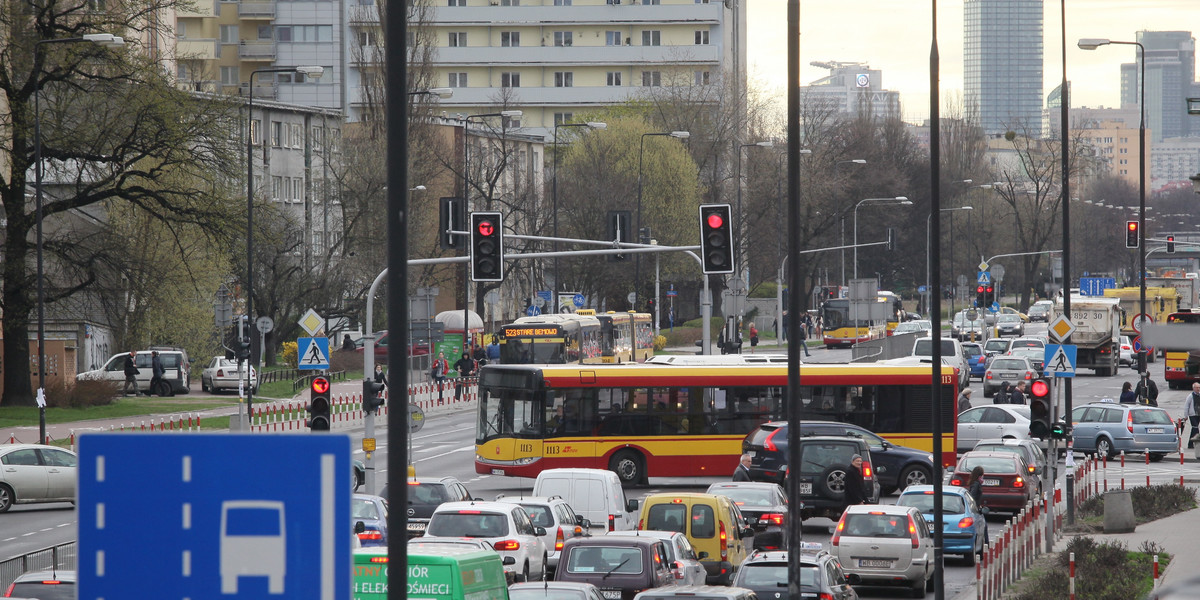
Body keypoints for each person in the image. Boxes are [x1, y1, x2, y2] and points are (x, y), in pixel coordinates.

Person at [1185, 382, 1200, 449]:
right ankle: (1195, 443)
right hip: (1192, 415)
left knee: (1194, 429)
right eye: (1197, 387)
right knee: (1195, 428)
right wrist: (1186, 415)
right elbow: (1186, 406)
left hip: (1198, 414)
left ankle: (1190, 444)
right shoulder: (1190, 396)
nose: (1198, 389)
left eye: (1199, 387)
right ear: (1193, 388)